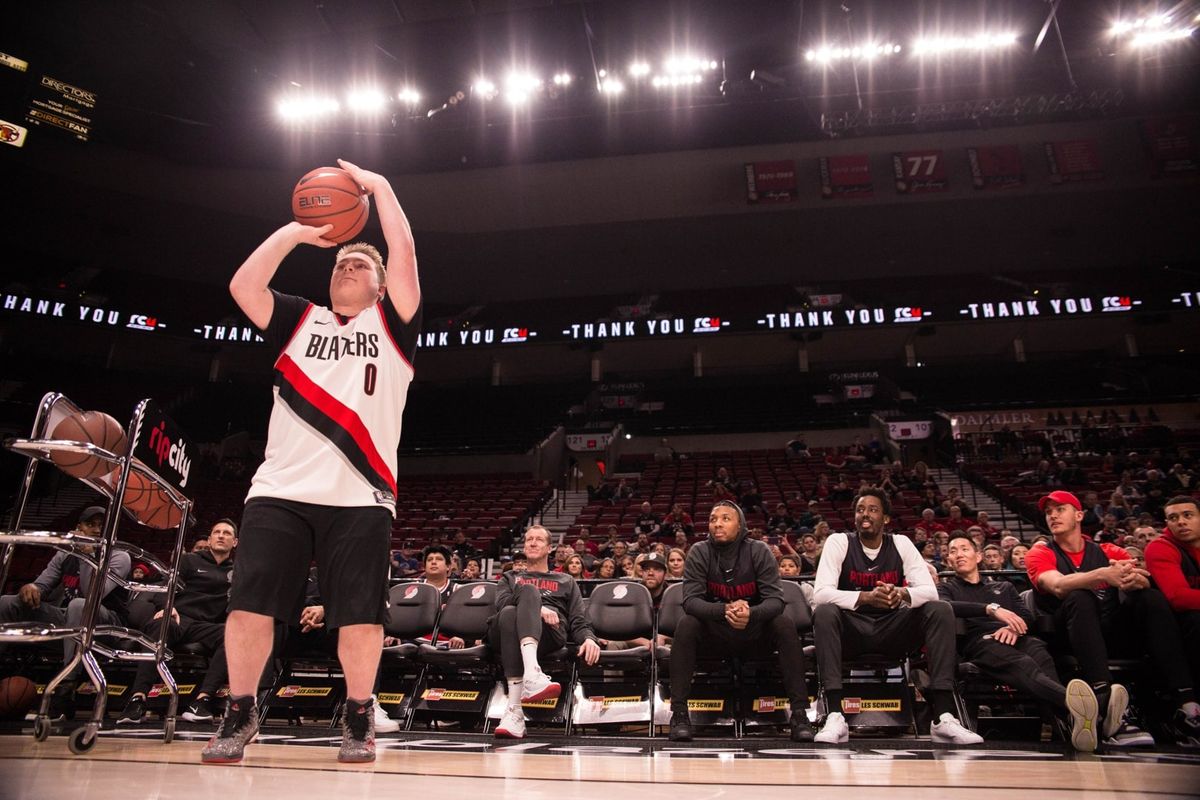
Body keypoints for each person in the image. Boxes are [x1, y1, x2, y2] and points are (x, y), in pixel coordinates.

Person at [206, 158, 422, 765]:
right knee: (249, 606)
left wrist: (380, 190)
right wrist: (301, 233)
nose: (346, 268)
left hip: (362, 492)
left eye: (359, 265)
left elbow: (404, 257)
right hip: (279, 488)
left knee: (358, 615)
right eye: (340, 264)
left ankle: (358, 717)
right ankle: (240, 712)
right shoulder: (299, 319)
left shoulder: (394, 324)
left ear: (379, 286)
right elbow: (243, 287)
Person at [1027, 490, 1198, 746]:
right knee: (1080, 596)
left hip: (1110, 631)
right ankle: (1105, 703)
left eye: (1060, 509)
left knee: (1149, 598)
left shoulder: (1108, 549)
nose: (1052, 515)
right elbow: (1059, 586)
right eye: (1048, 512)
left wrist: (1135, 581)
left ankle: (1187, 703)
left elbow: (1139, 575)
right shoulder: (1040, 553)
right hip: (1066, 635)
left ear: (1079, 515)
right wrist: (1103, 575)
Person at [811, 489, 980, 744]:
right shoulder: (839, 542)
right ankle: (835, 714)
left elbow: (930, 592)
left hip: (892, 631)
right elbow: (821, 594)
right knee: (824, 612)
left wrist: (901, 593)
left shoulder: (900, 543)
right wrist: (867, 597)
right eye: (860, 509)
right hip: (851, 633)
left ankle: (944, 716)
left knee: (940, 609)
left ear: (886, 519)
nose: (865, 514)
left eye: (873, 509)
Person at [667, 501, 815, 743]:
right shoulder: (699, 551)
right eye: (713, 519)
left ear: (740, 525)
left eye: (726, 518)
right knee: (687, 624)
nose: (717, 523)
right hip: (714, 636)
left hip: (754, 634)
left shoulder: (758, 550)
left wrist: (751, 614)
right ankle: (680, 714)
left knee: (784, 623)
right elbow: (691, 602)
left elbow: (776, 601)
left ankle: (799, 714)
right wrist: (725, 609)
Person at [939, 533, 1101, 751]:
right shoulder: (947, 588)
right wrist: (990, 609)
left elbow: (1027, 616)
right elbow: (947, 607)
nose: (958, 554)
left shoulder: (1004, 587)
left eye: (964, 549)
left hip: (1016, 637)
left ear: (978, 556)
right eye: (953, 551)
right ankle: (1086, 710)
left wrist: (1014, 628)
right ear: (948, 560)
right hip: (983, 642)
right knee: (1023, 663)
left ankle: (1074, 722)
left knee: (1039, 652)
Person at [0, 506, 131, 720]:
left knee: (79, 605)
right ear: (78, 527)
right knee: (7, 602)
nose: (97, 530)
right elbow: (42, 585)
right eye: (91, 525)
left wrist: (86, 556)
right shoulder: (65, 553)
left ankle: (65, 688)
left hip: (108, 626)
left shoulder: (119, 556)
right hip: (70, 621)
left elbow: (92, 594)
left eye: (102, 526)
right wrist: (31, 588)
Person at [119, 519, 238, 725]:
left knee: (234, 635)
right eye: (216, 532)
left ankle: (202, 701)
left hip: (206, 625)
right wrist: (167, 606)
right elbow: (163, 588)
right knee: (160, 626)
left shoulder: (238, 571)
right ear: (209, 540)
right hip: (179, 617)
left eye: (226, 533)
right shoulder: (189, 561)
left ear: (235, 542)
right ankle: (137, 699)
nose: (221, 535)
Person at [491, 526, 601, 739]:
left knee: (511, 613)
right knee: (514, 606)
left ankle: (514, 712)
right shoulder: (509, 577)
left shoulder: (566, 581)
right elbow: (501, 603)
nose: (532, 543)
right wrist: (537, 608)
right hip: (503, 633)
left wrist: (588, 638)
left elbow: (578, 619)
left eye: (539, 540)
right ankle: (533, 675)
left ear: (549, 548)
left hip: (548, 635)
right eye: (529, 539)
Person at [1145, 495, 1200, 741]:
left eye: (1188, 515)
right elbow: (1178, 597)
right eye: (1173, 518)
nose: (1181, 522)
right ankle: (1188, 707)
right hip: (1173, 628)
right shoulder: (1160, 547)